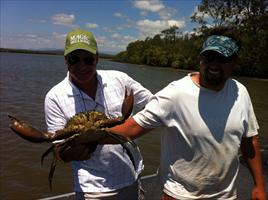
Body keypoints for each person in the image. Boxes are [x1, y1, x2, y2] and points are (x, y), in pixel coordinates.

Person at [108, 27, 267, 200]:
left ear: (235, 62)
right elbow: (131, 128)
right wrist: (88, 139)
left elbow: (250, 140)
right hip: (180, 195)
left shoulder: (240, 92)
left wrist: (259, 186)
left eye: (222, 58)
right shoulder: (176, 94)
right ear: (200, 59)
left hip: (226, 196)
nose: (213, 64)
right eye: (208, 57)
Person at [44, 28, 152, 199]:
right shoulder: (55, 97)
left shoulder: (120, 80)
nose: (82, 66)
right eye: (74, 59)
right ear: (65, 60)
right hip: (92, 189)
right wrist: (72, 152)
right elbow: (58, 149)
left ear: (97, 58)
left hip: (131, 178)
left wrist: (131, 129)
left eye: (88, 59)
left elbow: (155, 106)